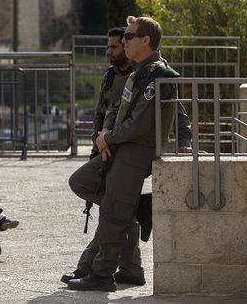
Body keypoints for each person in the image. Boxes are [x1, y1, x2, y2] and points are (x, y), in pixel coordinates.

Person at [66, 16, 181, 291]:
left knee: (113, 213)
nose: (124, 41)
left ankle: (102, 274)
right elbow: (116, 109)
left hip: (137, 149)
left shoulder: (158, 75)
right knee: (81, 181)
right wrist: (104, 135)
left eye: (129, 36)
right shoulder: (137, 72)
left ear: (146, 40)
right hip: (119, 145)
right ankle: (132, 208)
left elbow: (140, 123)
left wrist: (110, 137)